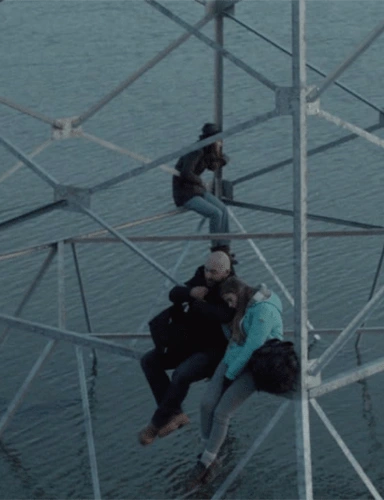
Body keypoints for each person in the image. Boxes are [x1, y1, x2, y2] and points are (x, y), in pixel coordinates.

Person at [138, 248, 237, 445]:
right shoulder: (202, 276)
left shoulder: (232, 288)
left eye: (213, 272)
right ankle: (174, 414)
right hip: (188, 344)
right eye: (207, 270)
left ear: (225, 273)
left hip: (213, 351)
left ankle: (156, 423)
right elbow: (174, 294)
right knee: (149, 360)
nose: (208, 275)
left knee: (181, 374)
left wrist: (199, 305)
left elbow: (226, 315)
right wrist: (191, 292)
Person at [190, 276, 283, 484]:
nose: (230, 305)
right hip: (234, 356)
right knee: (206, 405)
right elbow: (236, 340)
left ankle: (206, 461)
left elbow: (253, 347)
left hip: (258, 363)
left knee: (222, 412)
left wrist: (229, 375)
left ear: (239, 293)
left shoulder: (263, 310)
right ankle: (209, 448)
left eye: (231, 300)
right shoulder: (244, 307)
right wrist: (228, 367)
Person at [173, 122, 231, 249]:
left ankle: (225, 246)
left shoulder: (206, 150)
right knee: (215, 213)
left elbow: (212, 166)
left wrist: (222, 158)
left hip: (197, 190)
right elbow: (186, 173)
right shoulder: (196, 151)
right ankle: (216, 248)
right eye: (218, 140)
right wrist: (200, 181)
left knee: (223, 209)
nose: (220, 143)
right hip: (185, 193)